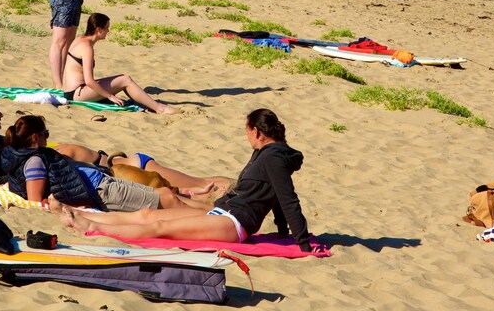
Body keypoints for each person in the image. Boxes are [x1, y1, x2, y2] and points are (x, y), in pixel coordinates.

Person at [57, 108, 315, 252]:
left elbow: (286, 197)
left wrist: (301, 242)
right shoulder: (265, 153)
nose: (247, 137)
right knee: (148, 214)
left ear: (257, 131)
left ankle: (89, 228)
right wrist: (282, 232)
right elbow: (276, 197)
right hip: (223, 212)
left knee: (159, 229)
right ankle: (87, 217)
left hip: (234, 223)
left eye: (247, 132)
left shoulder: (273, 159)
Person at [0, 98, 227, 191]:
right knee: (196, 183)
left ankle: (237, 185)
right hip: (126, 164)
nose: (1, 116)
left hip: (130, 166)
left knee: (201, 183)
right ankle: (235, 186)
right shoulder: (49, 154)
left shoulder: (56, 155)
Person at [1, 115, 205, 210]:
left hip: (104, 179)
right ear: (35, 138)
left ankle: (212, 208)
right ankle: (213, 214)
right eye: (46, 134)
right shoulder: (35, 160)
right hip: (101, 188)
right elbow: (36, 201)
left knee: (168, 194)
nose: (48, 137)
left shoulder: (29, 155)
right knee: (170, 198)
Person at [64, 13, 179, 114]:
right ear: (98, 29)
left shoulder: (80, 39)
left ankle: (147, 103)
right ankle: (159, 109)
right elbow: (89, 81)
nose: (108, 31)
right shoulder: (87, 47)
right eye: (107, 28)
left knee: (122, 80)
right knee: (125, 80)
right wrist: (110, 96)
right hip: (77, 94)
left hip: (71, 91)